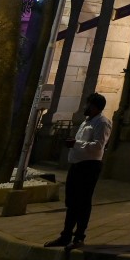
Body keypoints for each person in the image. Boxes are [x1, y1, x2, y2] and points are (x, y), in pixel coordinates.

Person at [44, 93, 112, 250]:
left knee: (83, 202)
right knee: (72, 202)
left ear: (94, 106)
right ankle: (65, 235)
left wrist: (76, 143)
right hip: (77, 165)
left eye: (87, 104)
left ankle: (79, 236)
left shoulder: (102, 122)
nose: (84, 107)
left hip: (90, 166)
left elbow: (98, 146)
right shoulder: (86, 122)